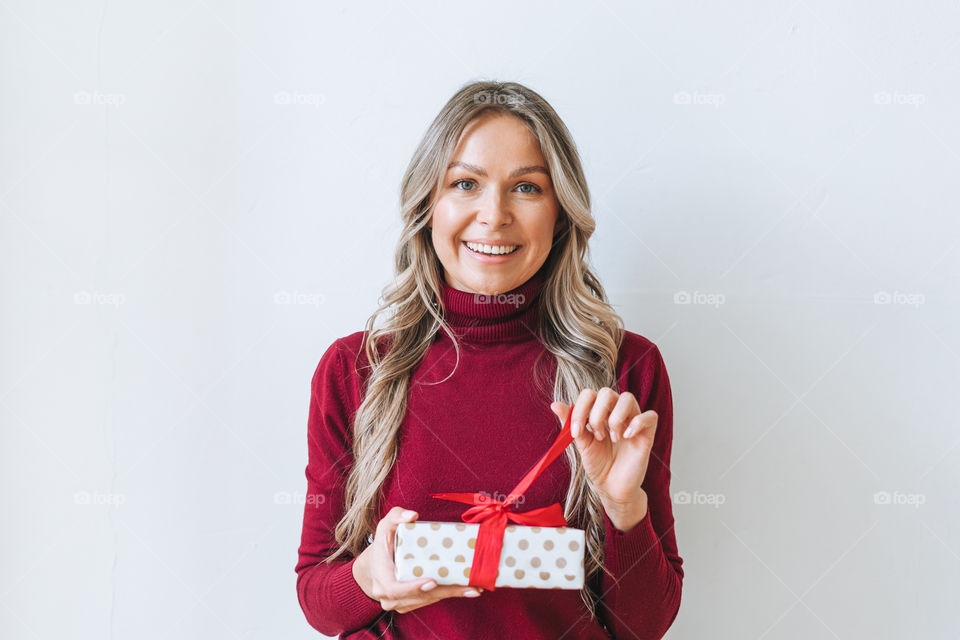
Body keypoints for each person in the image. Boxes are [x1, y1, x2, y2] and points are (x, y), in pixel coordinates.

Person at [296, 80, 683, 639]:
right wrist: (368, 578)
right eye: (465, 183)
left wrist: (625, 508)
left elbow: (644, 626)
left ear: (561, 214)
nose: (493, 215)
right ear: (429, 204)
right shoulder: (355, 369)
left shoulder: (624, 372)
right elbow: (318, 602)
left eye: (526, 187)